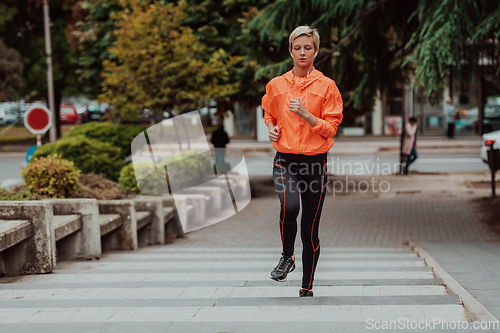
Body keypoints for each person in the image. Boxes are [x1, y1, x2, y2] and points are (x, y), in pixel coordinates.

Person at [261, 25, 343, 297]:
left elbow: (331, 128)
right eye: (297, 48)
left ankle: (307, 286)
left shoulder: (327, 86)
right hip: (285, 159)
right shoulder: (276, 85)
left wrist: (307, 115)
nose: (302, 52)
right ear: (290, 51)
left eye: (308, 47)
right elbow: (269, 113)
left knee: (310, 229)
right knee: (290, 206)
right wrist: (271, 127)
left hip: (314, 164)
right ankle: (287, 256)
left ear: (316, 51)